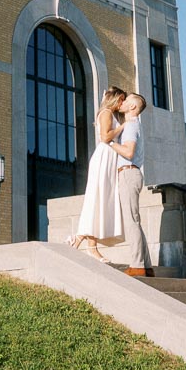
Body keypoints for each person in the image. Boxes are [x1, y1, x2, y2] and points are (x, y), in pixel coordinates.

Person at [69, 86, 128, 260]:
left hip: (110, 159)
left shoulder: (112, 114)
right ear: (115, 99)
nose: (122, 103)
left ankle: (82, 241)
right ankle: (87, 244)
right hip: (104, 157)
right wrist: (123, 127)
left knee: (101, 200)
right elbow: (105, 136)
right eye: (121, 99)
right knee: (96, 199)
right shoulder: (106, 113)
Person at [109, 92, 153, 276]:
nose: (122, 102)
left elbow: (128, 152)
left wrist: (110, 142)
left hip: (128, 172)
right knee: (135, 220)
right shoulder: (134, 125)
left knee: (131, 221)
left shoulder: (131, 126)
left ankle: (137, 265)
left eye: (126, 100)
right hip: (132, 173)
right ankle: (147, 266)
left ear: (133, 107)